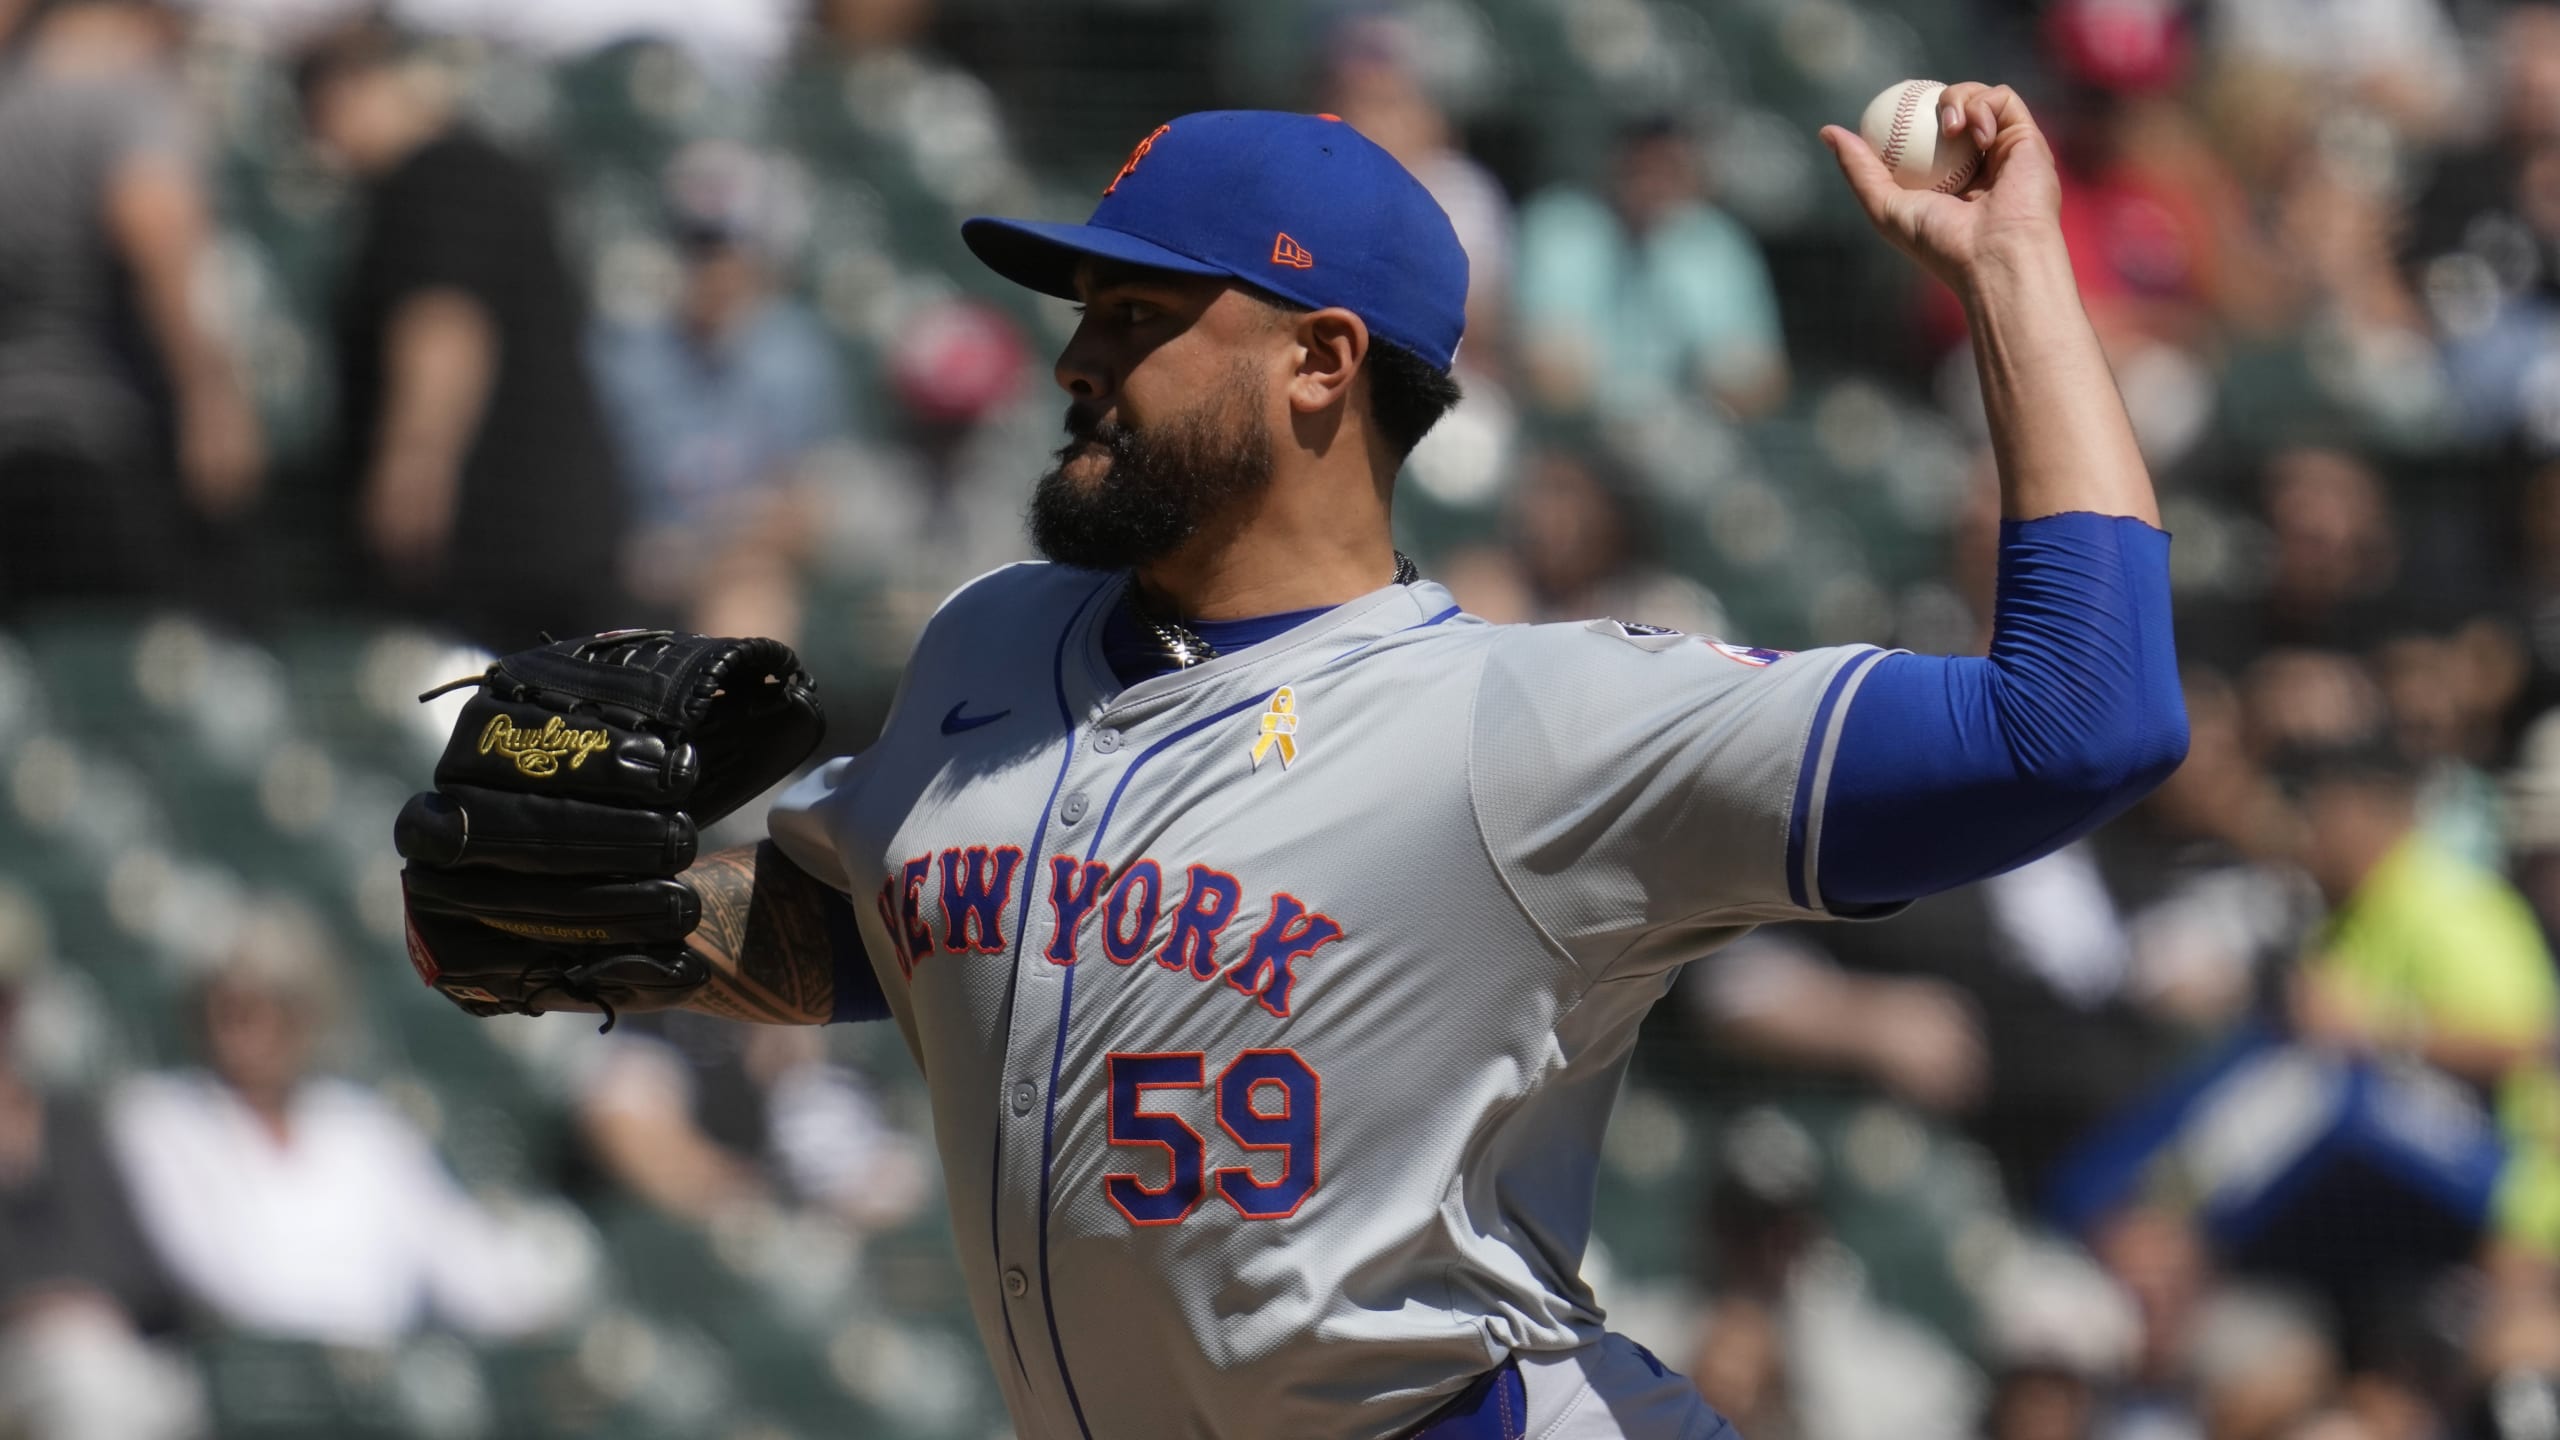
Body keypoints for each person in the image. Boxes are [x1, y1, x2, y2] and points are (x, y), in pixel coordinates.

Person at [410, 93, 2188, 1437]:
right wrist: (628, 925)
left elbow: (2084, 721)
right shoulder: (992, 646)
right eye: (1086, 309)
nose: (1075, 358)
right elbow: (902, 932)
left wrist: (2013, 277)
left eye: (1138, 315)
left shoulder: (1528, 730)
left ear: (1321, 364)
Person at [107, 905, 588, 1348]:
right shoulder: (158, 1118)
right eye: (231, 1009)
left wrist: (550, 1284)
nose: (246, 1032)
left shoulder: (366, 1129)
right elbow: (211, 1276)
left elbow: (460, 1259)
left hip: (371, 1375)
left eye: (273, 1009)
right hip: (244, 1369)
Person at [296, 19, 627, 651]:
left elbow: (445, 325)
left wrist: (413, 468)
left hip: (496, 540)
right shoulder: (492, 169)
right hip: (555, 527)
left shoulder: (433, 178)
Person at [0, 0, 262, 615]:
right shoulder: (128, 94)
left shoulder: (12, 98)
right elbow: (154, 230)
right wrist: (212, 400)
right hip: (104, 439)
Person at [589, 140, 847, 643]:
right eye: (697, 246)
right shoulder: (621, 354)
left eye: (726, 246)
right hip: (634, 563)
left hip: (737, 566)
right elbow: (591, 504)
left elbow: (808, 515)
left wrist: (712, 552)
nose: (711, 265)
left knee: (752, 595)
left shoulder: (794, 353)